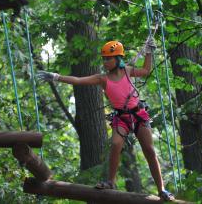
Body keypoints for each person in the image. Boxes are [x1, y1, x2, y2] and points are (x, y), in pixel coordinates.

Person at [37, 38, 175, 201]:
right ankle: (111, 181)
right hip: (122, 118)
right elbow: (78, 81)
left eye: (108, 59)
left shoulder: (128, 71)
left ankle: (162, 189)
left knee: (150, 151)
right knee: (116, 144)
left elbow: (145, 70)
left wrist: (149, 52)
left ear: (117, 59)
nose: (105, 62)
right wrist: (55, 76)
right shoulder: (102, 78)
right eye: (103, 59)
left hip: (137, 115)